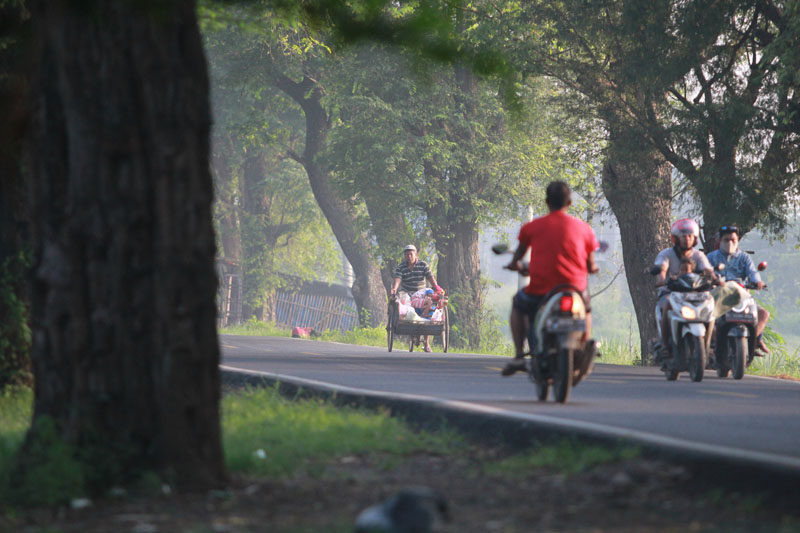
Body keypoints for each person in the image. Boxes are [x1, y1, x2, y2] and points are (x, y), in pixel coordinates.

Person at [502, 181, 600, 376]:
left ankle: (520, 354)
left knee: (517, 302)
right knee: (586, 309)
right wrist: (593, 268)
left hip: (541, 290)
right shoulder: (584, 228)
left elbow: (518, 257)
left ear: (547, 202)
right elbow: (591, 265)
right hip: (575, 290)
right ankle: (583, 343)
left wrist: (514, 264)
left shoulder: (532, 227)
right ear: (570, 202)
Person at [652, 218, 714, 360]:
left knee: (712, 308)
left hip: (696, 294)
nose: (687, 239)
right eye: (684, 236)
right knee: (666, 304)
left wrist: (715, 278)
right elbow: (662, 267)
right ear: (675, 238)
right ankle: (665, 345)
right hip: (671, 292)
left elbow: (707, 270)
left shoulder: (698, 255)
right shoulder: (666, 254)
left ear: (695, 239)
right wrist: (662, 278)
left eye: (690, 236)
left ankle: (709, 344)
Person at [706, 225, 770, 353]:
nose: (730, 243)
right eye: (726, 240)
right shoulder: (711, 257)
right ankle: (713, 342)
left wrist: (757, 282)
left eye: (733, 240)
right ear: (720, 240)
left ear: (737, 240)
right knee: (706, 317)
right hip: (718, 295)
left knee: (762, 314)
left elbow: (752, 272)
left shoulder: (744, 257)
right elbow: (705, 273)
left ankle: (754, 340)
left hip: (741, 295)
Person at [390, 244, 441, 352]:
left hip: (421, 293)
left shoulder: (423, 265)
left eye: (411, 254)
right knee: (408, 312)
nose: (409, 256)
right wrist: (394, 288)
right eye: (407, 254)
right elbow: (398, 279)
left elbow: (430, 278)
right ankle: (411, 334)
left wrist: (436, 288)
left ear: (415, 254)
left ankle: (426, 343)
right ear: (404, 255)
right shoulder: (401, 267)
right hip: (407, 293)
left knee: (428, 313)